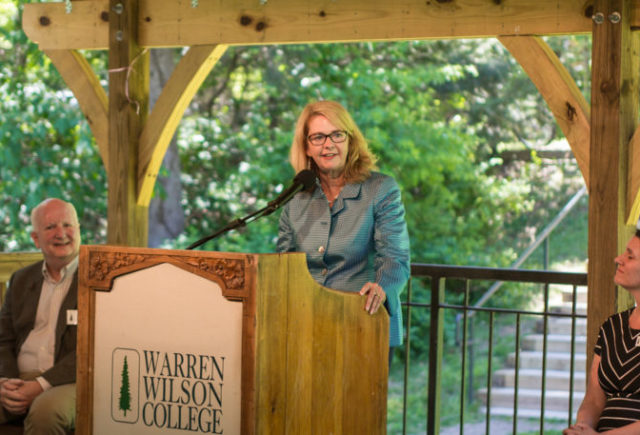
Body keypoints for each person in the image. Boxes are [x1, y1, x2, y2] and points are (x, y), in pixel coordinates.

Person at [277, 100, 410, 354]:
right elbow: (283, 269)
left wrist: (381, 287)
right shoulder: (295, 200)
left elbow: (395, 257)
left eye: (337, 134)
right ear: (306, 146)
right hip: (306, 328)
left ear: (351, 140)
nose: (328, 144)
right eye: (318, 137)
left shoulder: (380, 190)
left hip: (364, 323)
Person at [0, 198, 80, 434]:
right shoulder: (20, 279)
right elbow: (3, 339)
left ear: (78, 230)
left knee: (46, 412)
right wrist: (6, 383)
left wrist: (40, 385)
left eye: (68, 225)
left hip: (69, 380)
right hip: (19, 377)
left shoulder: (99, 279)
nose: (61, 233)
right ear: (36, 238)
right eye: (50, 227)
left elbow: (94, 348)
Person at [563, 223, 640, 434]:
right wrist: (583, 427)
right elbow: (594, 398)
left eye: (630, 256)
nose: (618, 259)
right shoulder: (611, 327)